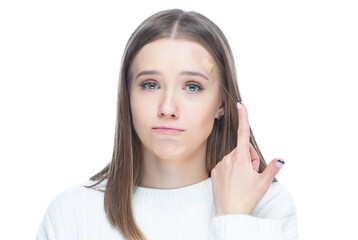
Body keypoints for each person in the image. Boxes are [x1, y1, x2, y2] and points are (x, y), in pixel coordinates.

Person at [35, 8, 298, 240]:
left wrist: (235, 220)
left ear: (222, 104)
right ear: (127, 96)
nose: (168, 108)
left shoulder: (267, 206)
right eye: (150, 85)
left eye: (192, 87)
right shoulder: (71, 212)